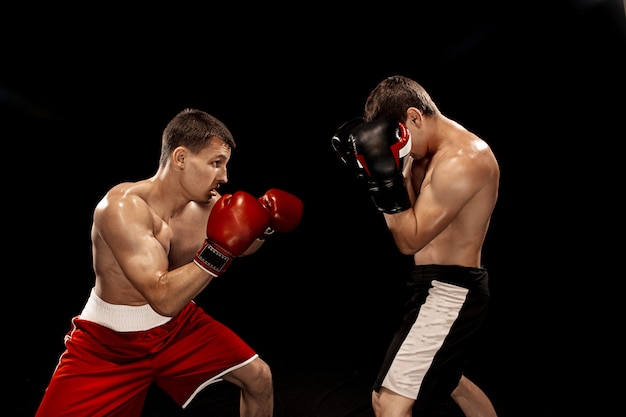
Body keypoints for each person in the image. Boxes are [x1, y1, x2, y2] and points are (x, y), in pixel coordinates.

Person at [35, 108, 304, 417]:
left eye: (225, 165)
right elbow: (163, 297)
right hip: (108, 344)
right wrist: (219, 251)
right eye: (216, 163)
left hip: (176, 329)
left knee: (258, 377)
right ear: (180, 158)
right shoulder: (122, 207)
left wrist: (265, 224)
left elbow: (241, 245)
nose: (224, 176)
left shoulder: (207, 206)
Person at [332, 75, 499, 417]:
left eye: (400, 134)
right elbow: (410, 213)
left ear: (415, 117)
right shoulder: (422, 153)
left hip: (451, 290)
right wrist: (396, 172)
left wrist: (381, 180)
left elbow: (408, 239)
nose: (399, 143)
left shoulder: (463, 160)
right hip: (432, 284)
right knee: (451, 381)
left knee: (389, 403)